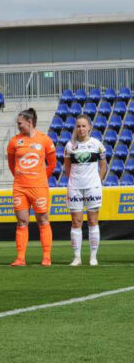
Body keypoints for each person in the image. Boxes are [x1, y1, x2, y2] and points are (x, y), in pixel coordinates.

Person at [7, 107, 57, 266]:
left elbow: (52, 164)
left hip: (39, 187)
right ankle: (20, 258)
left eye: (20, 123)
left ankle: (47, 257)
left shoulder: (45, 140)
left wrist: (41, 178)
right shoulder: (15, 141)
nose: (18, 126)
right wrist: (21, 178)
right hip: (20, 187)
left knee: (43, 220)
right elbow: (11, 164)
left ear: (29, 122)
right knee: (22, 221)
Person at [64, 113, 107, 266]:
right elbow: (67, 167)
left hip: (92, 187)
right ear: (75, 128)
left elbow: (103, 166)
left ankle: (93, 257)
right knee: (76, 222)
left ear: (89, 127)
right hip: (75, 187)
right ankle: (77, 258)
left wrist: (98, 181)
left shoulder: (97, 144)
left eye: (83, 126)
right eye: (78, 126)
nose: (81, 129)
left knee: (93, 221)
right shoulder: (69, 146)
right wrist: (74, 181)